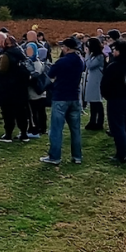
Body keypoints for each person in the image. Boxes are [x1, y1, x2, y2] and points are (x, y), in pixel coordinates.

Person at [41, 36, 86, 166]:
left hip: (60, 97)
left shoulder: (62, 61)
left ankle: (54, 156)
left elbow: (50, 75)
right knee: (75, 129)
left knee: (56, 129)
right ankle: (77, 156)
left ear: (66, 48)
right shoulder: (80, 60)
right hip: (74, 97)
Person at [102, 38, 126, 164]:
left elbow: (105, 84)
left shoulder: (115, 66)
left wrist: (107, 96)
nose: (113, 52)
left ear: (119, 51)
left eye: (114, 50)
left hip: (117, 99)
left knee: (117, 127)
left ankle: (121, 155)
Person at [0, 32, 34, 143]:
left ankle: (8, 134)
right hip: (21, 88)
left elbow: (2, 70)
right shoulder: (21, 53)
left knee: (8, 112)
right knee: (22, 112)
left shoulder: (6, 55)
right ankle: (24, 134)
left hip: (8, 88)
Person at [82, 36, 105, 130]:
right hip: (91, 81)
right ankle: (92, 121)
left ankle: (99, 122)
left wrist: (86, 54)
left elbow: (90, 65)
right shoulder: (94, 55)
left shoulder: (100, 57)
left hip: (96, 82)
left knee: (97, 103)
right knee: (92, 103)